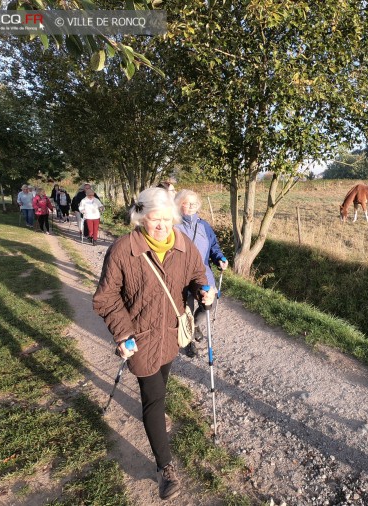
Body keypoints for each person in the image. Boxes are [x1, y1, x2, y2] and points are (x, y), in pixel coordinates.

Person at [93, 187, 215, 501]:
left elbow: (197, 274)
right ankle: (165, 467)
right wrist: (122, 333)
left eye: (166, 219)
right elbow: (106, 298)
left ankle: (152, 417)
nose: (160, 226)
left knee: (161, 383)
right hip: (140, 338)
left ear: (174, 218)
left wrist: (204, 290)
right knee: (155, 397)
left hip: (172, 335)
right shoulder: (123, 250)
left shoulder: (183, 245)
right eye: (153, 219)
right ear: (141, 217)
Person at [174, 189, 228, 358]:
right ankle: (188, 340)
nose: (191, 207)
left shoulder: (204, 225)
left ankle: (195, 325)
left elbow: (213, 247)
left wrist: (219, 258)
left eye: (194, 204)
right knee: (186, 310)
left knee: (207, 306)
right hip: (180, 276)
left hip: (203, 274)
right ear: (178, 203)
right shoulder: (173, 224)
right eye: (187, 203)